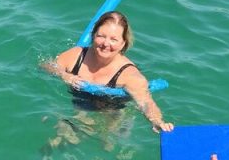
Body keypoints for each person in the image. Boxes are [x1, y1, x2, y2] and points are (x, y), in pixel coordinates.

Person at [44, 11, 173, 134]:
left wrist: (157, 121)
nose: (106, 43)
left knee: (109, 143)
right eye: (101, 36)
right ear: (93, 35)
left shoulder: (129, 75)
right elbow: (47, 65)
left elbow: (145, 102)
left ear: (123, 43)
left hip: (113, 109)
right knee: (61, 130)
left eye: (113, 39)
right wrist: (64, 75)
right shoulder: (76, 55)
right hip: (79, 102)